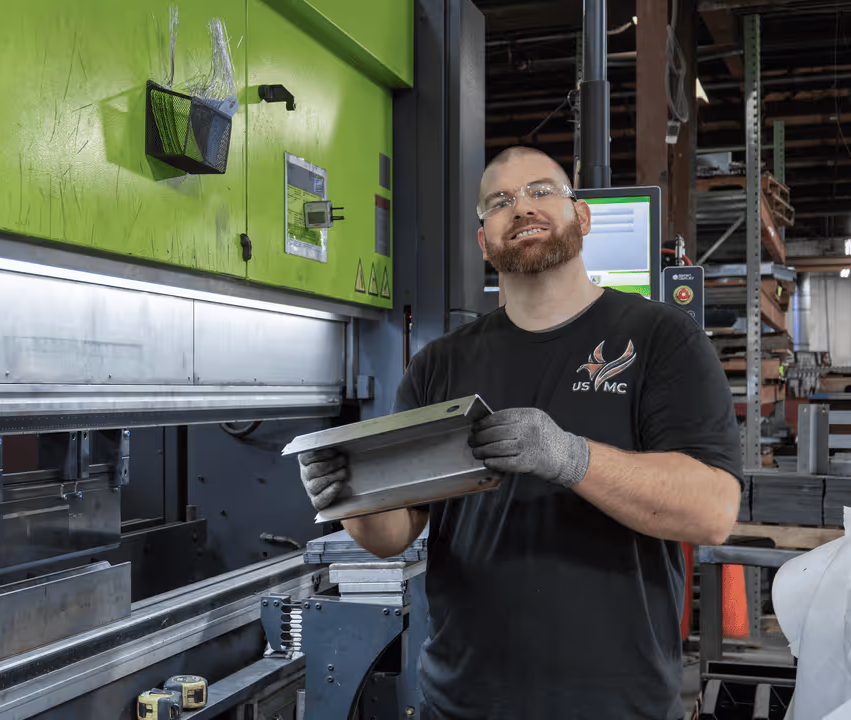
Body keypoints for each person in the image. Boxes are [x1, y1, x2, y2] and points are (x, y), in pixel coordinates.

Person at [299, 146, 743, 719]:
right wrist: (351, 497)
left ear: (582, 216)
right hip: (462, 702)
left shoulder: (662, 338)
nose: (522, 207)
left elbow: (713, 510)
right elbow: (396, 532)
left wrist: (571, 458)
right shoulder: (439, 365)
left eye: (541, 191)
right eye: (500, 201)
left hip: (615, 703)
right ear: (484, 242)